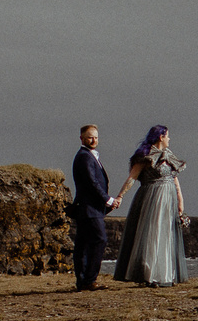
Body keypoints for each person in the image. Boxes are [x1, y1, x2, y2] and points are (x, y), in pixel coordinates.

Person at [112, 124, 186, 286]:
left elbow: (175, 180)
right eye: (167, 136)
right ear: (161, 137)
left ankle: (165, 274)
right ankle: (148, 274)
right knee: (151, 234)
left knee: (166, 234)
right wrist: (120, 195)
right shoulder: (146, 156)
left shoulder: (169, 155)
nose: (169, 139)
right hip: (152, 198)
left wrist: (180, 200)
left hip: (169, 199)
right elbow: (132, 177)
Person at [67, 124, 120, 292]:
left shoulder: (90, 156)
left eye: (96, 137)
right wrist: (108, 200)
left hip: (89, 208)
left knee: (82, 244)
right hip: (89, 208)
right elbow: (92, 183)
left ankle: (83, 281)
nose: (94, 140)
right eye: (90, 137)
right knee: (99, 239)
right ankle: (89, 279)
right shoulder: (84, 157)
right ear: (82, 138)